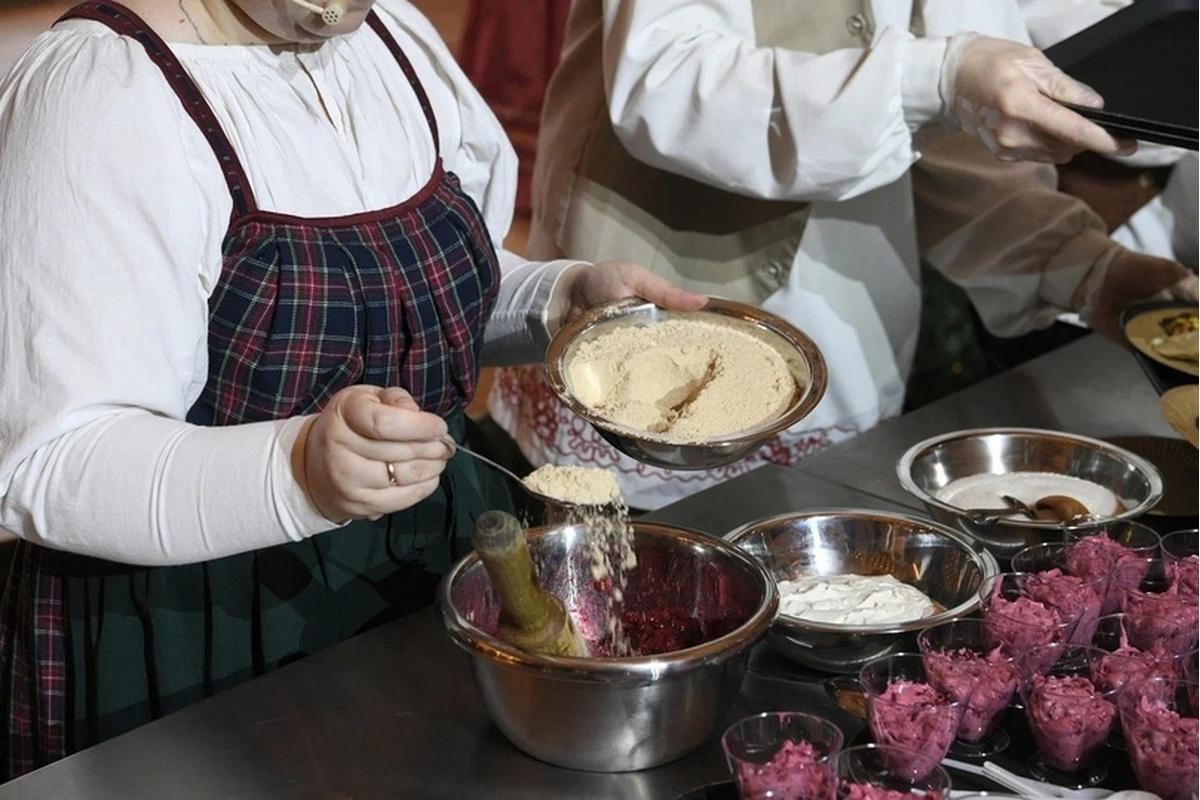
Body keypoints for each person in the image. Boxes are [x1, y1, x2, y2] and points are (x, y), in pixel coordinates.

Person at [0, 0, 702, 778]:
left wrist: (558, 303)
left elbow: (410, 296)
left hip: (430, 570)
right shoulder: (103, 95)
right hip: (214, 626)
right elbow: (52, 460)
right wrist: (299, 468)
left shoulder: (388, 37)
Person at [487, 0, 1197, 511]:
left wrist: (1082, 266)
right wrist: (938, 76)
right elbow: (667, 82)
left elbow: (960, 124)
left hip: (854, 330)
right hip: (664, 342)